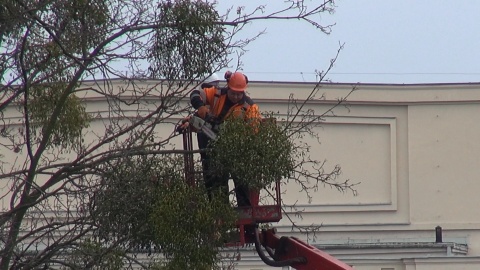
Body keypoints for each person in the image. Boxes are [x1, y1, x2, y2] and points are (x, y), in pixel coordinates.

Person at [190, 71, 260, 207]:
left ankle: (246, 215)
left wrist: (237, 138)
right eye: (233, 92)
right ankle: (220, 210)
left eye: (239, 93)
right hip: (214, 147)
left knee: (242, 182)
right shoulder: (216, 94)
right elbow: (195, 94)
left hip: (238, 151)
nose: (235, 96)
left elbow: (253, 131)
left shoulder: (250, 108)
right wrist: (201, 106)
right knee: (215, 179)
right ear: (228, 87)